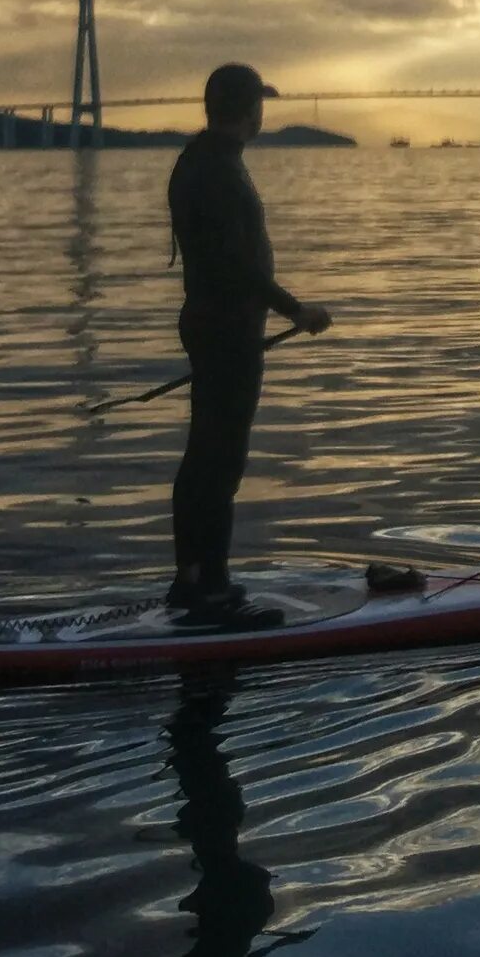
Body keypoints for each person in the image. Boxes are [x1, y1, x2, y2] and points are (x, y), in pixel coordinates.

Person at [166, 63, 383, 627]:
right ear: (247, 109)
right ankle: (209, 590)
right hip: (227, 331)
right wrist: (295, 310)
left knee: (204, 455)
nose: (264, 111)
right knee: (221, 459)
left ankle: (192, 578)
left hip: (215, 327)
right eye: (259, 102)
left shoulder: (201, 161)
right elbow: (233, 266)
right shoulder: (216, 171)